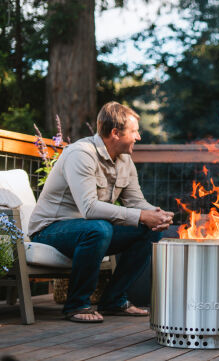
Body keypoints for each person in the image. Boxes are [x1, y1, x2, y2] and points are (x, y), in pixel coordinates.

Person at [28, 102, 174, 323]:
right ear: (115, 133)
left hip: (90, 230)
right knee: (99, 228)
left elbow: (135, 201)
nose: (139, 137)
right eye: (134, 132)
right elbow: (89, 208)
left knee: (148, 231)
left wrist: (156, 214)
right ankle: (77, 304)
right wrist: (141, 215)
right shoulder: (81, 154)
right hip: (51, 231)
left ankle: (114, 300)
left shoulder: (125, 160)